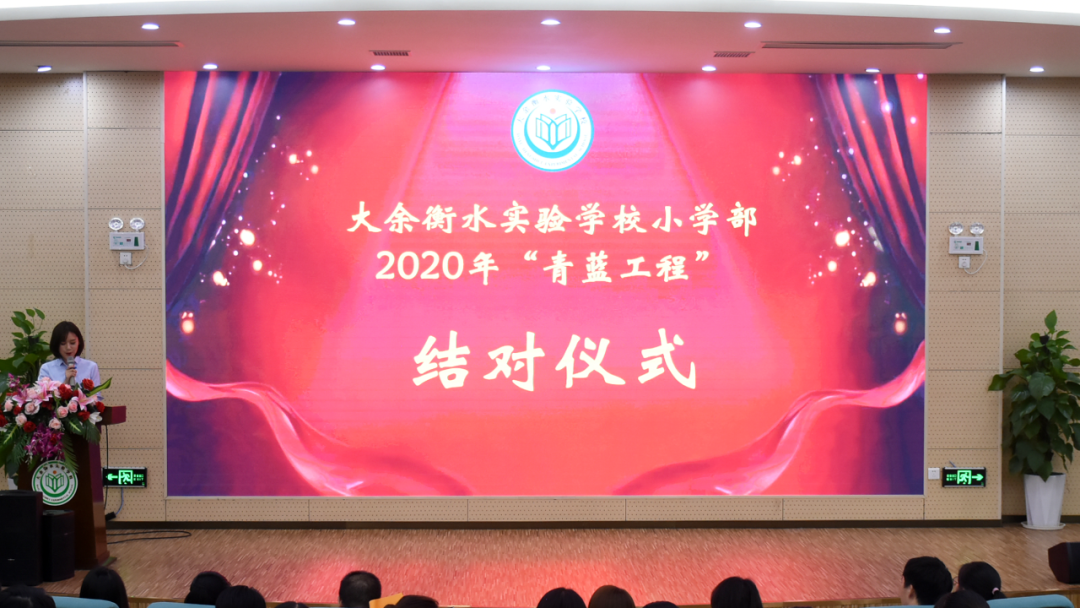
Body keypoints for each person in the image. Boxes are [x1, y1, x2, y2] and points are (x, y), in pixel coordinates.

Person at [38, 321, 101, 388]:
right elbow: (42, 393)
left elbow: (96, 394)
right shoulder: (47, 368)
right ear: (56, 345)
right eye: (63, 344)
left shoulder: (91, 367)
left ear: (79, 342)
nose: (68, 347)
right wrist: (66, 380)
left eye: (72, 343)